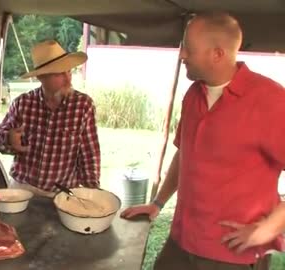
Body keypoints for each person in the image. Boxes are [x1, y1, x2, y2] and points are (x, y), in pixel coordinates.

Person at [121, 12, 285, 270]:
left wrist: (268, 229)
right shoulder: (194, 94)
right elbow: (185, 154)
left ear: (217, 54)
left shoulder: (271, 100)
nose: (182, 55)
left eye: (189, 48)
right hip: (181, 242)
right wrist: (157, 203)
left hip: (232, 255)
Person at [0, 40, 100, 197]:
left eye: (69, 71)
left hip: (61, 193)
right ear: (41, 77)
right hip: (22, 188)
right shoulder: (23, 103)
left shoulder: (83, 105)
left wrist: (92, 193)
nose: (67, 78)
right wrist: (9, 139)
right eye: (59, 73)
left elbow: (89, 153)